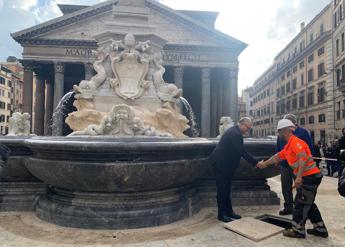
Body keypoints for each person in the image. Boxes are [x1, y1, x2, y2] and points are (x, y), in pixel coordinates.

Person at [257, 119, 328, 239]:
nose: (278, 134)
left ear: (284, 131)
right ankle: (320, 229)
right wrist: (265, 164)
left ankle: (298, 231)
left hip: (309, 177)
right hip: (310, 177)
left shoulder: (296, 142)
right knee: (308, 204)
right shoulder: (289, 145)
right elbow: (278, 156)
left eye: (279, 131)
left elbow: (302, 158)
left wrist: (299, 177)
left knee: (300, 204)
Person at [209, 117, 258, 223]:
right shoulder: (234, 133)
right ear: (242, 124)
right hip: (220, 164)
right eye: (247, 127)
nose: (248, 130)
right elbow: (241, 151)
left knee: (226, 189)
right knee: (222, 190)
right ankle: (221, 214)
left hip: (225, 165)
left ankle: (229, 212)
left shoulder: (235, 131)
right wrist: (256, 163)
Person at [276, 114, 314, 216]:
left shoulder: (303, 132)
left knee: (300, 188)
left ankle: (300, 208)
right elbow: (279, 147)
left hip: (298, 166)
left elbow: (310, 149)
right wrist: (278, 160)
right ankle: (288, 207)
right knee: (286, 187)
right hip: (285, 165)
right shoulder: (281, 133)